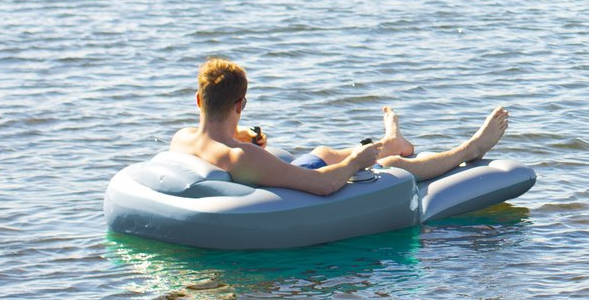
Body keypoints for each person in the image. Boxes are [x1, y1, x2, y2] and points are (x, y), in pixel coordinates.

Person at [169, 57, 510, 196]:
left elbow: (219, 140)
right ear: (241, 105)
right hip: (294, 186)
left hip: (258, 165)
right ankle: (470, 149)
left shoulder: (182, 139)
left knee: (323, 152)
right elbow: (325, 185)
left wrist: (242, 136)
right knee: (388, 166)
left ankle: (392, 140)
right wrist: (357, 162)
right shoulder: (240, 157)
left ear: (199, 101)